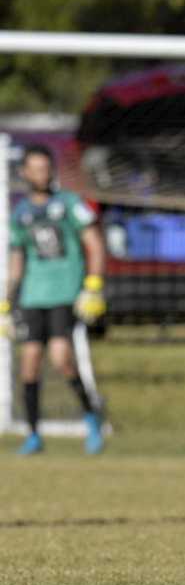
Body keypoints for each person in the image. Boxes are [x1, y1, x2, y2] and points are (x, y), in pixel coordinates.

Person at [1, 144, 108, 455]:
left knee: (62, 357)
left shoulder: (70, 204)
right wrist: (6, 303)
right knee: (30, 364)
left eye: (46, 169)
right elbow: (17, 260)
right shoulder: (21, 213)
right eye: (34, 169)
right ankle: (34, 435)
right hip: (33, 296)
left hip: (65, 293)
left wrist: (93, 285)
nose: (41, 175)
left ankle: (91, 416)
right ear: (24, 173)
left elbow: (95, 244)